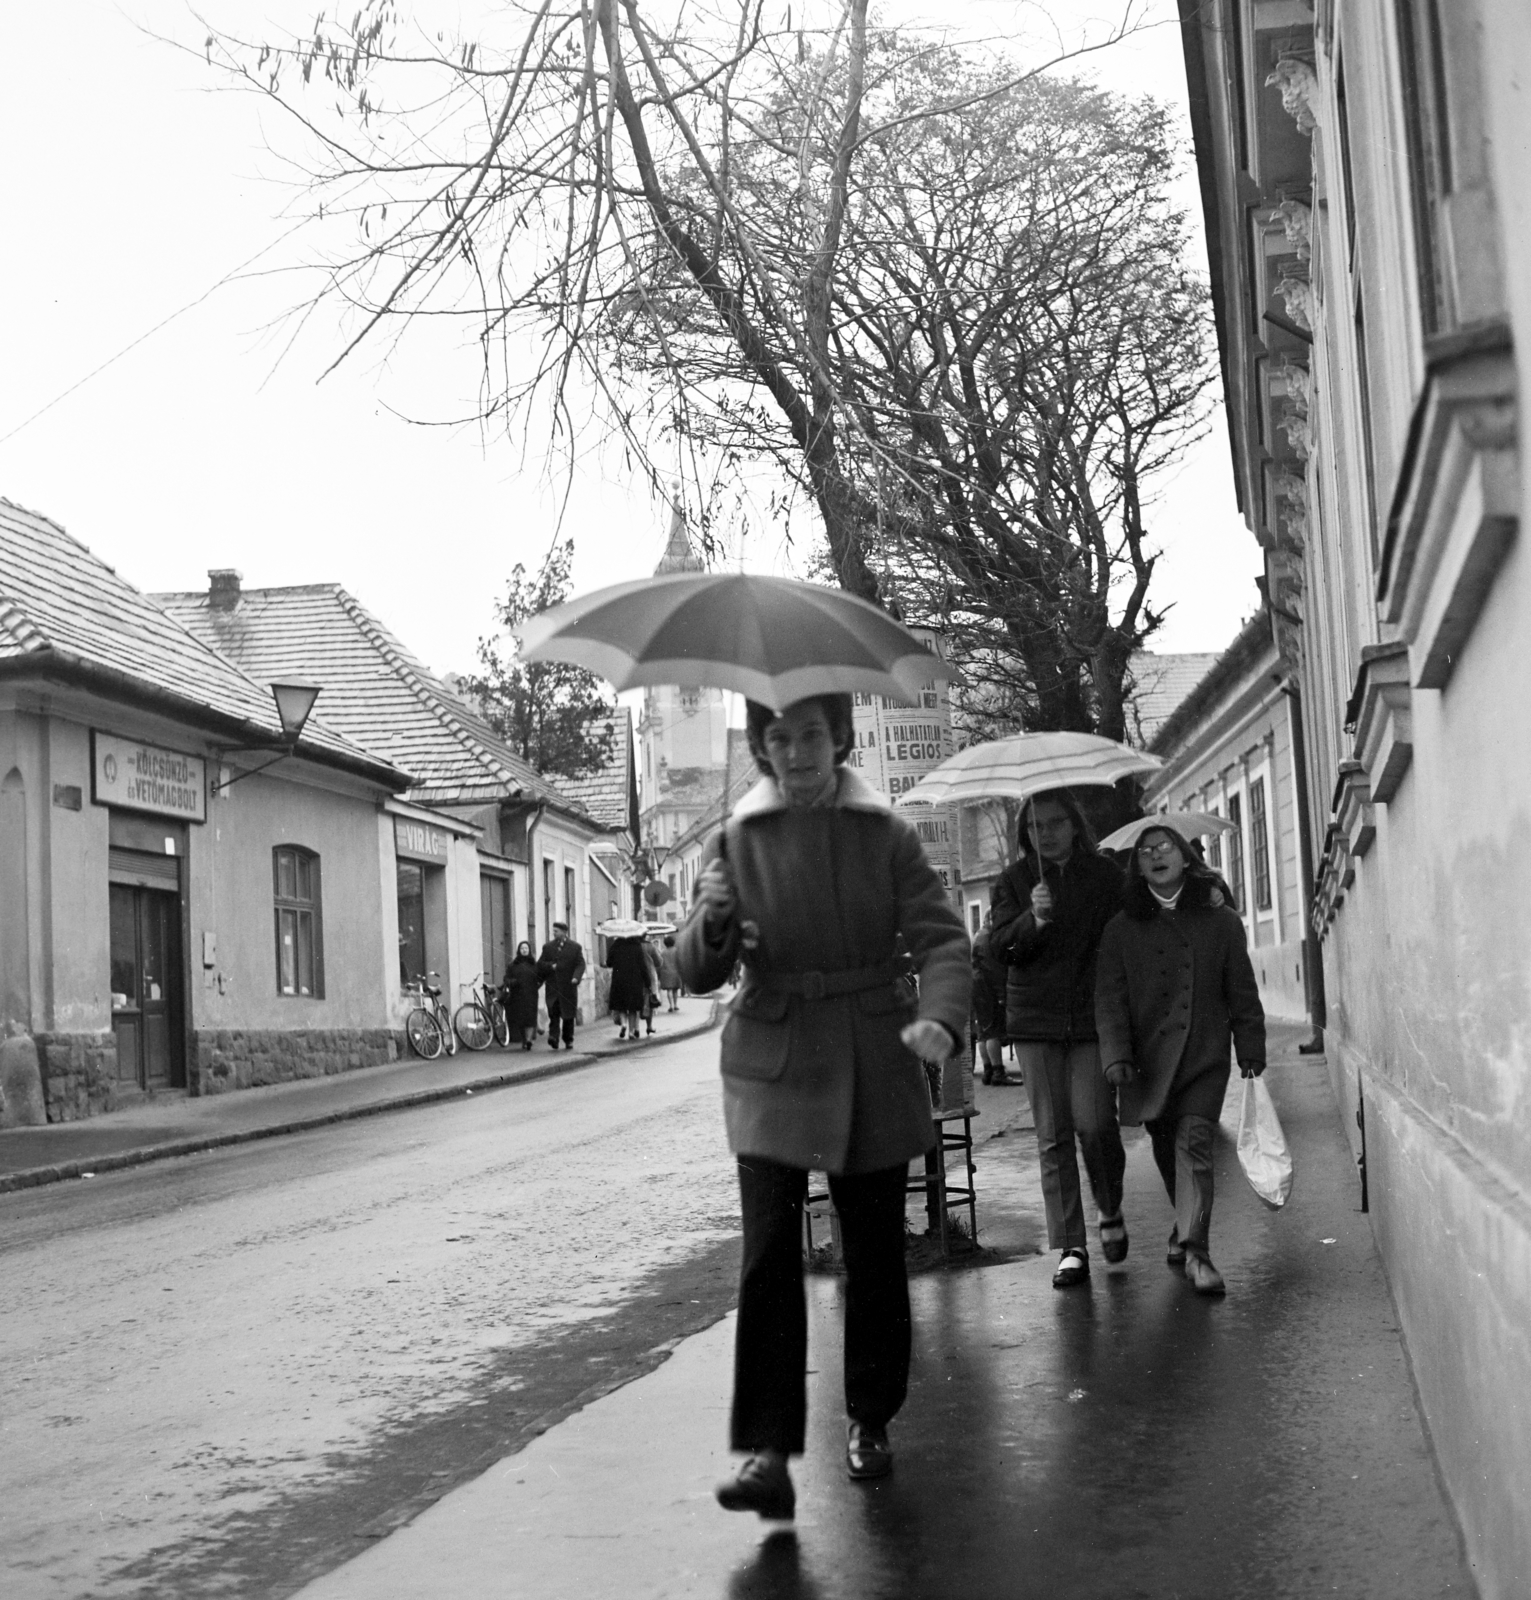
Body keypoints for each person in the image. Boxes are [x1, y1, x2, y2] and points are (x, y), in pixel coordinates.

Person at [678, 692, 970, 1522]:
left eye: (811, 736)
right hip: (768, 1059)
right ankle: (769, 1453)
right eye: (779, 739)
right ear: (763, 750)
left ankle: (869, 1418)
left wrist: (939, 1018)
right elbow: (691, 969)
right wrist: (714, 916)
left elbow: (943, 939)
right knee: (769, 1252)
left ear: (838, 739)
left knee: (872, 1250)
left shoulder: (886, 833)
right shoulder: (736, 837)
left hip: (871, 1052)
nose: (797, 753)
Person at [1094, 824, 1266, 1296]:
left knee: (1193, 1142)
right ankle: (1183, 1226)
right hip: (1148, 1061)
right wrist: (1116, 1056)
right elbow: (1109, 999)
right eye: (1146, 851)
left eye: (1165, 846)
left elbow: (1242, 991)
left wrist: (1250, 1047)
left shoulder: (1222, 921)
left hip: (1205, 1055)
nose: (1156, 855)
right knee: (1166, 1144)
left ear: (1186, 857)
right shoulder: (1120, 929)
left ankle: (1197, 1252)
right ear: (1137, 866)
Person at [990, 789, 1127, 1289]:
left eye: (1054, 823)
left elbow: (1136, 923)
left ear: (1074, 824)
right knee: (1053, 1135)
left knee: (1094, 1124)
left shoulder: (1106, 876)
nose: (1044, 833)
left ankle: (1110, 1207)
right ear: (1025, 833)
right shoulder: (1015, 881)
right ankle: (1072, 1244)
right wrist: (1035, 919)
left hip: (1092, 1018)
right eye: (1034, 826)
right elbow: (999, 947)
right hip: (1035, 1023)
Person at [970, 913, 1014, 1086]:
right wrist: (1002, 996)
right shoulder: (987, 938)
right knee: (993, 1031)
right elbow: (994, 970)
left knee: (983, 1033)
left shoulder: (979, 936)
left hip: (979, 990)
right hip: (988, 992)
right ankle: (998, 1072)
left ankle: (988, 1071)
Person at [536, 921, 586, 1049]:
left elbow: (580, 964)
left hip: (568, 987)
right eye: (553, 931)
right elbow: (540, 964)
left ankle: (568, 1039)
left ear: (564, 932)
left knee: (568, 1016)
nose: (554, 933)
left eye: (556, 931)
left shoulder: (575, 947)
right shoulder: (547, 947)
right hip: (553, 987)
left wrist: (576, 977)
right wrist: (550, 966)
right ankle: (553, 1037)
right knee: (553, 1013)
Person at [606, 933, 649, 1040]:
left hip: (619, 979)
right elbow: (642, 965)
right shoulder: (637, 946)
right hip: (635, 980)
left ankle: (624, 1024)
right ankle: (631, 1032)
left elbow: (609, 963)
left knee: (621, 1005)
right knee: (633, 1008)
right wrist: (647, 981)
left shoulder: (616, 945)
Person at [501, 941, 542, 1050]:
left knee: (530, 1017)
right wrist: (513, 981)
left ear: (529, 950)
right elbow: (506, 978)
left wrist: (537, 986)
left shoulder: (534, 964)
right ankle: (524, 1040)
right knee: (520, 1019)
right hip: (517, 995)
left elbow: (540, 978)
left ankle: (528, 1040)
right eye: (522, 948)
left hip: (531, 994)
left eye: (526, 948)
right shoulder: (513, 965)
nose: (524, 950)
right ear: (519, 950)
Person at [641, 935, 662, 1035]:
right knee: (649, 1000)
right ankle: (649, 1026)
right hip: (650, 975)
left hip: (636, 976)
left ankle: (634, 1028)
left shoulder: (634, 946)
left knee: (637, 1001)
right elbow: (659, 962)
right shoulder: (651, 947)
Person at [657, 935, 683, 1012]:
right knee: (675, 990)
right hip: (676, 972)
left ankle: (670, 1005)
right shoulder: (677, 951)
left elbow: (660, 963)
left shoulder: (662, 952)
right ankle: (675, 1005)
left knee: (669, 990)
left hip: (666, 972)